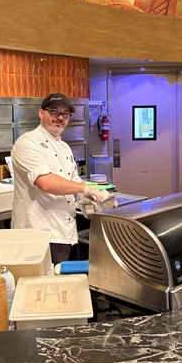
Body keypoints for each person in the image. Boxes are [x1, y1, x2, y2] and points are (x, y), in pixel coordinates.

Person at [11, 93, 110, 264]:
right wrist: (85, 189)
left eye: (65, 114)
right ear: (41, 113)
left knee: (68, 278)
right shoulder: (27, 143)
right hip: (40, 234)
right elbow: (46, 183)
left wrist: (93, 197)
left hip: (67, 232)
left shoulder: (64, 147)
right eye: (54, 112)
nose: (60, 118)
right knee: (46, 281)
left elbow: (73, 179)